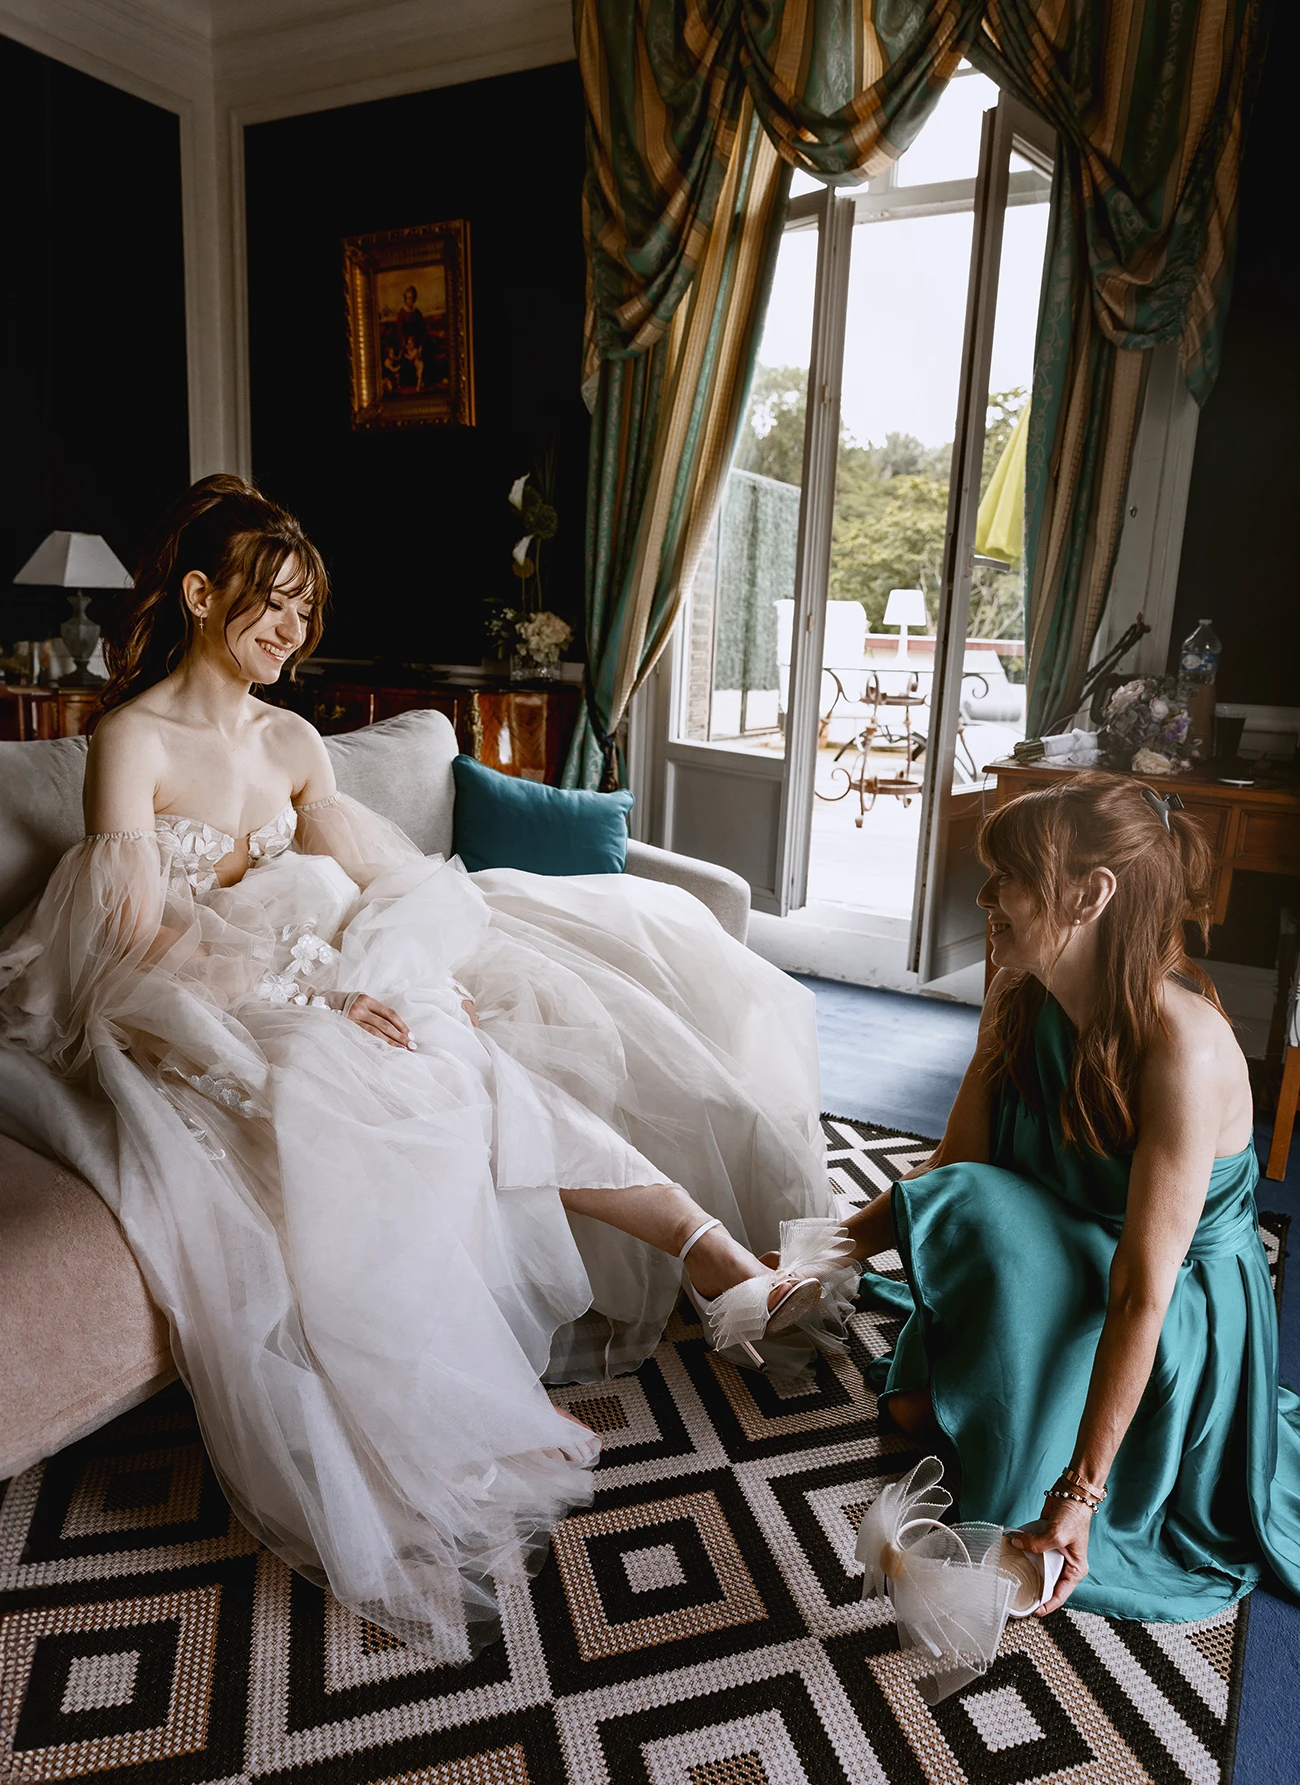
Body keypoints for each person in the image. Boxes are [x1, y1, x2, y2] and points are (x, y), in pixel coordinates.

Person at [0, 474, 850, 1653]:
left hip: (319, 966)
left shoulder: (293, 739)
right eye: (270, 602)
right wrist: (318, 997)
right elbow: (136, 939)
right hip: (188, 1005)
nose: (292, 629)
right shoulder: (130, 740)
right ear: (197, 597)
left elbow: (382, 877)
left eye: (304, 608)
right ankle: (458, 1414)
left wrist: (402, 971)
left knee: (463, 1055)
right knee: (359, 1090)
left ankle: (709, 1251)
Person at [847, 774, 1300, 1621]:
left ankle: (1102, 1449)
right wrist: (829, 1251)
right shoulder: (1017, 992)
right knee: (913, 1411)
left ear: (1090, 895)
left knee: (999, 1489)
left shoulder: (1185, 1046)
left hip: (1171, 1301)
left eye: (1007, 878)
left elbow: (1142, 1291)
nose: (983, 898)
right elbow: (956, 1169)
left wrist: (1081, 1492)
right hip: (1069, 1244)